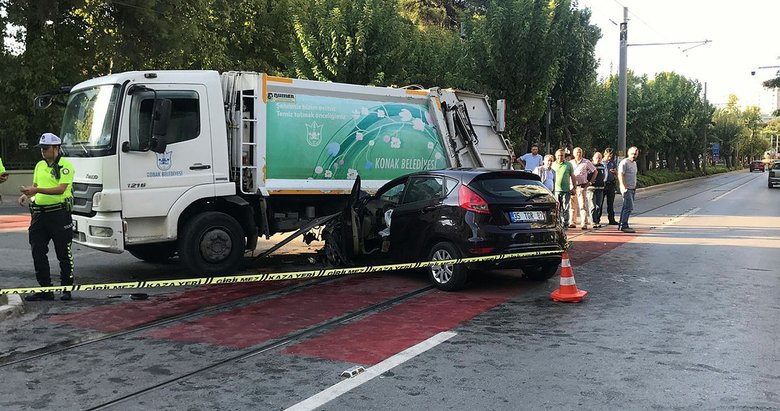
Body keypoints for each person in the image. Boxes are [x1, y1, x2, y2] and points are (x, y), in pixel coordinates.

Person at [18, 133, 76, 301]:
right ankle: (45, 289)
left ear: (56, 148)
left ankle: (66, 288)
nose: (43, 151)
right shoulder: (39, 165)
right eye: (41, 149)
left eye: (46, 148)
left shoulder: (65, 166)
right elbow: (36, 185)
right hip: (39, 215)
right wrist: (27, 195)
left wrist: (36, 191)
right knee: (37, 252)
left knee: (63, 252)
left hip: (58, 214)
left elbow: (60, 189)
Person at [570, 147, 597, 230]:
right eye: (577, 152)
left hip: (582, 186)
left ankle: (584, 223)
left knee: (582, 206)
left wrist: (590, 182)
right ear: (574, 154)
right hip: (572, 186)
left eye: (580, 152)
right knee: (572, 206)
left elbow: (595, 171)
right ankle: (572, 222)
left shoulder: (586, 162)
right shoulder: (570, 163)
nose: (579, 154)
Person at [552, 149, 576, 228]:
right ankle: (557, 222)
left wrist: (574, 187)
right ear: (556, 156)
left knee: (565, 208)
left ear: (564, 156)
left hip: (566, 190)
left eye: (562, 155)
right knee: (556, 208)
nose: (560, 157)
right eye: (558, 155)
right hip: (555, 190)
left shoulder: (568, 164)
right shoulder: (552, 164)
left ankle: (565, 223)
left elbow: (572, 176)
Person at [617, 146, 639, 233]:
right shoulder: (624, 162)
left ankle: (621, 224)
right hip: (627, 188)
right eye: (632, 153)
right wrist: (623, 186)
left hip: (632, 188)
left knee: (626, 207)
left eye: (635, 154)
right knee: (629, 207)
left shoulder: (634, 163)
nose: (634, 155)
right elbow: (620, 174)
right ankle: (624, 225)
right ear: (628, 153)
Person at [587, 152, 606, 228]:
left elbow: (605, 175)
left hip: (600, 188)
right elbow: (585, 175)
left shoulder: (602, 166)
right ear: (593, 158)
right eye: (596, 158)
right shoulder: (589, 166)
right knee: (592, 206)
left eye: (600, 158)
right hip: (591, 189)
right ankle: (593, 221)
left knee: (599, 206)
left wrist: (603, 182)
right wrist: (590, 182)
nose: (598, 159)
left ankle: (597, 221)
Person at [601, 148, 619, 225]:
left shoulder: (612, 163)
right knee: (600, 204)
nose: (610, 157)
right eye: (609, 155)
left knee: (610, 204)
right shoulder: (600, 162)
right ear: (605, 154)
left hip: (610, 184)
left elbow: (617, 173)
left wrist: (615, 172)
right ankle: (597, 219)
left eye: (611, 155)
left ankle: (611, 220)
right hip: (602, 185)